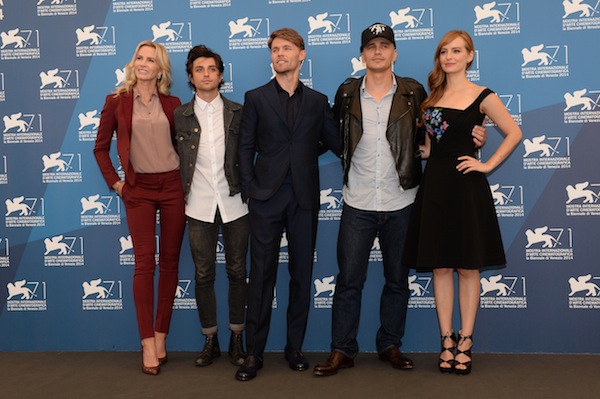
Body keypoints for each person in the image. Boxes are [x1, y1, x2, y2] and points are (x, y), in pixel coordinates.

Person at [313, 23, 487, 377]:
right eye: (371, 46)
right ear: (362, 54)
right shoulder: (347, 93)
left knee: (397, 280)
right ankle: (342, 350)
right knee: (348, 281)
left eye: (384, 45)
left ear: (394, 53)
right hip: (357, 200)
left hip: (402, 200)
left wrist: (474, 137)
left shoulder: (413, 92)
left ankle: (390, 345)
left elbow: (435, 136)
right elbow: (332, 135)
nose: (377, 52)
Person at [402, 30, 522, 375]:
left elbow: (514, 132)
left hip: (468, 188)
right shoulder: (430, 99)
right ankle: (446, 340)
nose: (449, 57)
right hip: (436, 186)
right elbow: (428, 149)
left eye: (457, 51)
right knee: (440, 266)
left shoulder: (483, 95)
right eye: (444, 52)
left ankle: (466, 340)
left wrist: (485, 162)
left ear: (470, 55)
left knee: (469, 267)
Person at [235, 27, 342, 382]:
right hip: (265, 197)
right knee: (261, 276)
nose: (279, 54)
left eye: (286, 48)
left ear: (301, 55)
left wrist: (302, 155)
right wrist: (249, 187)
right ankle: (253, 353)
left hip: (304, 197)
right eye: (275, 49)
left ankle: (294, 348)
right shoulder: (256, 97)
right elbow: (244, 147)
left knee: (301, 274)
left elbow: (336, 142)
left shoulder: (317, 100)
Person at [94, 40, 185, 376]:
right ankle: (146, 341)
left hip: (174, 186)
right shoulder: (116, 102)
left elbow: (184, 147)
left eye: (151, 59)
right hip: (139, 190)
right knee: (144, 264)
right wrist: (117, 185)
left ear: (161, 69)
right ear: (133, 63)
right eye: (139, 58)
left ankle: (162, 335)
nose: (144, 63)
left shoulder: (174, 104)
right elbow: (100, 149)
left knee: (171, 262)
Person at [174, 45, 248, 368]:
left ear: (220, 75)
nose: (206, 74)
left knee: (237, 271)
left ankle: (236, 338)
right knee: (203, 274)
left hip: (235, 202)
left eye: (212, 69)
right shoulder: (179, 115)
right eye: (199, 70)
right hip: (198, 204)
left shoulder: (239, 111)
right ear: (190, 77)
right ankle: (210, 339)